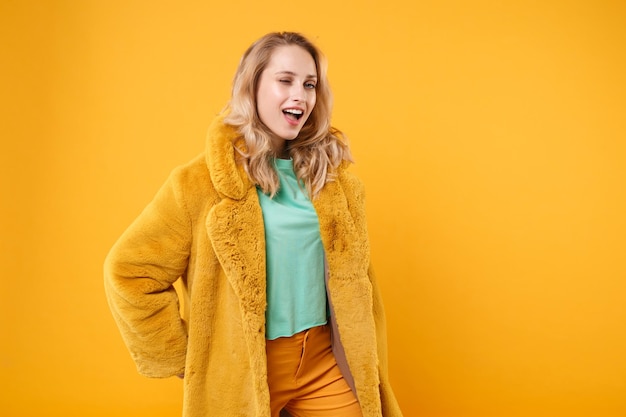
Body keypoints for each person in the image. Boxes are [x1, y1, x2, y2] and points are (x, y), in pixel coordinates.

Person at [104, 31, 403, 417]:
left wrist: (364, 348)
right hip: (245, 368)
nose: (301, 95)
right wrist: (187, 359)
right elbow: (129, 270)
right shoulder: (198, 183)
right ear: (253, 86)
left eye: (309, 84)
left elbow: (357, 279)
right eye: (285, 80)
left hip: (322, 360)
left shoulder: (333, 179)